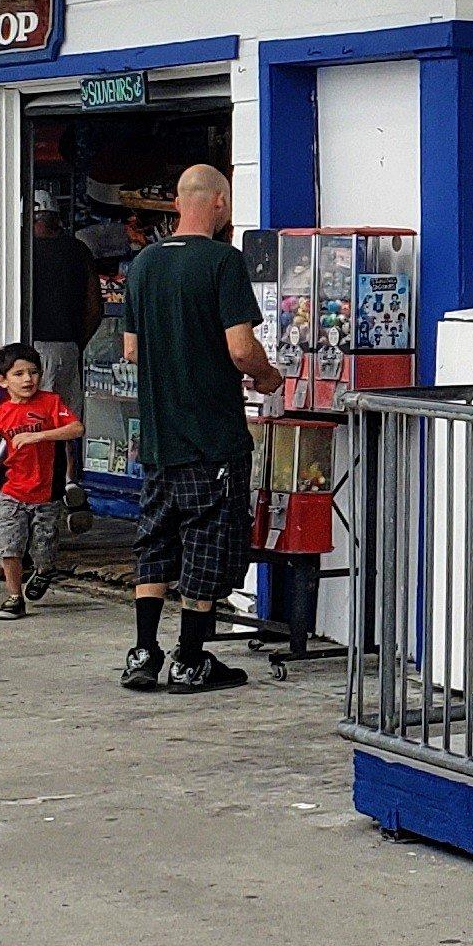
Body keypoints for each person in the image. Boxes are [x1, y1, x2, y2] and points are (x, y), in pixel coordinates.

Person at [114, 162, 279, 692]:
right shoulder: (223, 263)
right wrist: (268, 375)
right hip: (212, 433)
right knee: (207, 540)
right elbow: (240, 347)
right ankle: (190, 659)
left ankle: (143, 653)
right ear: (219, 203)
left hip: (159, 435)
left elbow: (131, 351)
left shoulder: (140, 266)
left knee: (155, 540)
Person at [0, 342, 83, 622]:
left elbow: (76, 429)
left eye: (33, 372)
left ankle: (44, 571)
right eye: (18, 374)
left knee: (43, 549)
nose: (27, 379)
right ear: (2, 380)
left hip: (47, 494)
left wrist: (38, 436)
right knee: (9, 546)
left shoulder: (51, 402)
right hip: (13, 493)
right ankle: (14, 597)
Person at [26, 197, 100, 401]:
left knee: (39, 419)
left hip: (36, 348)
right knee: (66, 421)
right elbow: (95, 307)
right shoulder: (79, 249)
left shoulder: (23, 252)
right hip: (69, 348)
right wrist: (78, 343)